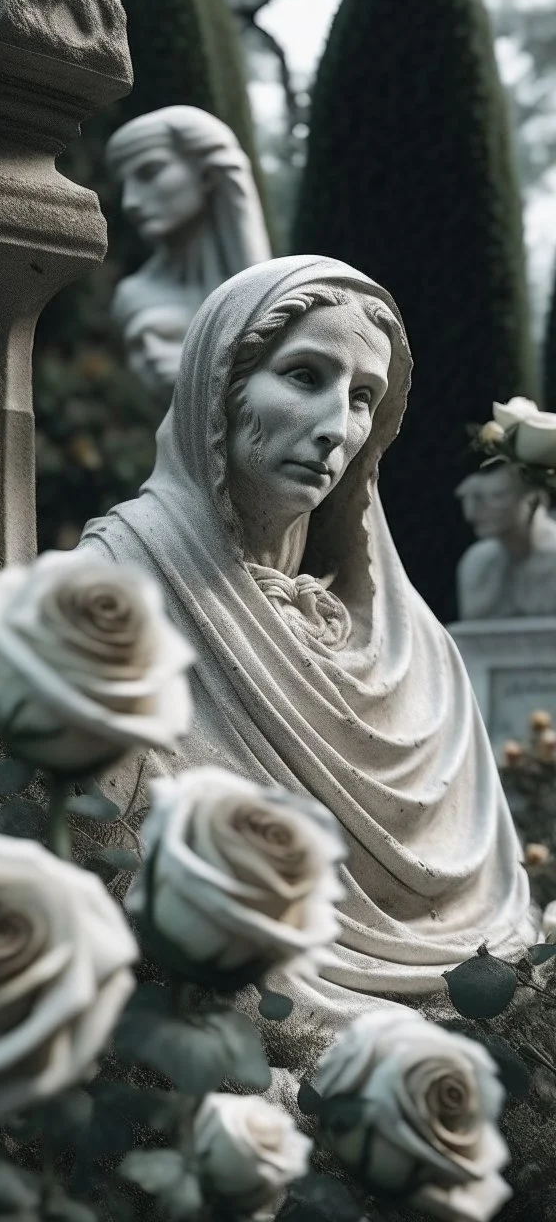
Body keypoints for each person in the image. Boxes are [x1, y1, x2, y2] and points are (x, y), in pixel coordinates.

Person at [75, 256, 533, 1038]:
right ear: (219, 385)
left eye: (363, 399)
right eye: (304, 375)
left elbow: (498, 908)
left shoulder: (415, 647)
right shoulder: (112, 589)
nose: (334, 427)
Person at [106, 106, 270, 400]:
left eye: (149, 172)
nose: (129, 202)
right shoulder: (133, 296)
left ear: (208, 173)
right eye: (124, 185)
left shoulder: (280, 290)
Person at [456, 464, 556, 618]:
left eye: (498, 495)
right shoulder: (478, 562)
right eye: (476, 497)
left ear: (534, 500)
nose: (472, 513)